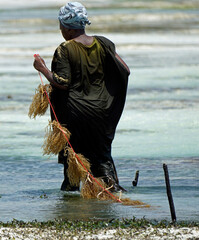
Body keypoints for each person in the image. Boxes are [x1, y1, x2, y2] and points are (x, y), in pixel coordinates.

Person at [33, 2, 130, 193]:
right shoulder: (104, 43)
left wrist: (42, 68)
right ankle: (114, 194)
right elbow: (125, 70)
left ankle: (70, 203)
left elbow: (62, 82)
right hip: (103, 113)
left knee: (73, 160)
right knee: (102, 157)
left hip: (76, 114)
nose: (60, 29)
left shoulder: (65, 49)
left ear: (68, 28)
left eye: (61, 25)